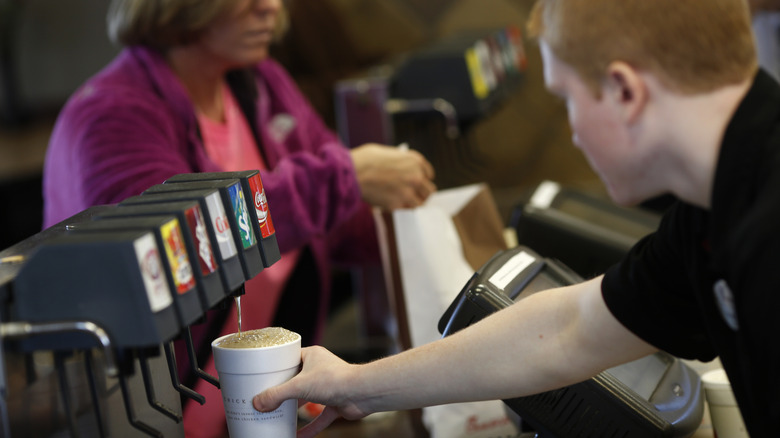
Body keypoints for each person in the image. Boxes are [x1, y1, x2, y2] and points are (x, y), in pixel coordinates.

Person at [253, 0, 780, 436]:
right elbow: (572, 328)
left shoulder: (764, 231)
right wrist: (355, 385)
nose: (572, 131)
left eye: (566, 98)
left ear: (625, 91)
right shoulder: (712, 206)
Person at [41, 0, 435, 436]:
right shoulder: (111, 115)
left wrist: (417, 222)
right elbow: (176, 257)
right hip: (155, 415)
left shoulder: (259, 80)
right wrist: (343, 179)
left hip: (256, 405)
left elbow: (336, 222)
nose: (271, 6)